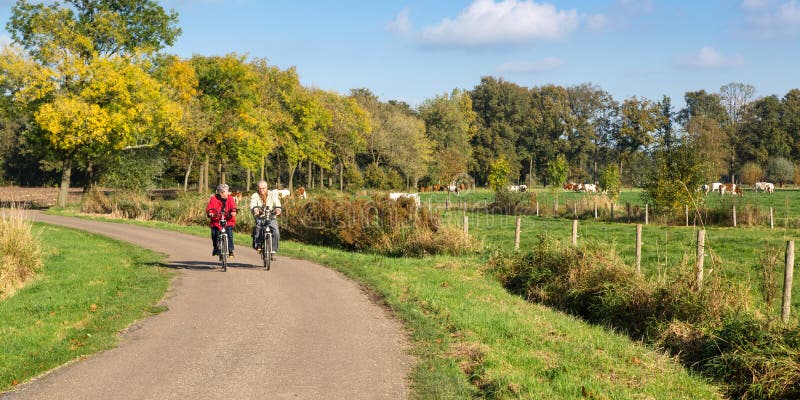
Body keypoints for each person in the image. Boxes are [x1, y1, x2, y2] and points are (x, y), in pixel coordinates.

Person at [249, 180, 281, 256]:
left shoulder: (272, 194)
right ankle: (258, 244)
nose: (261, 190)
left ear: (266, 188)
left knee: (276, 232)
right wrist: (255, 209)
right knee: (258, 228)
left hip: (271, 216)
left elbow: (277, 202)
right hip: (260, 217)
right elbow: (252, 203)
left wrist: (278, 209)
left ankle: (273, 250)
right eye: (260, 188)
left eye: (263, 188)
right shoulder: (255, 195)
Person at [206, 183, 238, 258]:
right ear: (221, 193)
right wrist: (210, 213)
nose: (228, 193)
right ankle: (216, 248)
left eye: (227, 191)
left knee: (229, 232)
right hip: (216, 221)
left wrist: (233, 212)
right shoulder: (213, 198)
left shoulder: (230, 198)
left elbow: (233, 206)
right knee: (214, 234)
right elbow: (209, 208)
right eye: (226, 191)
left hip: (228, 220)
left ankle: (230, 250)